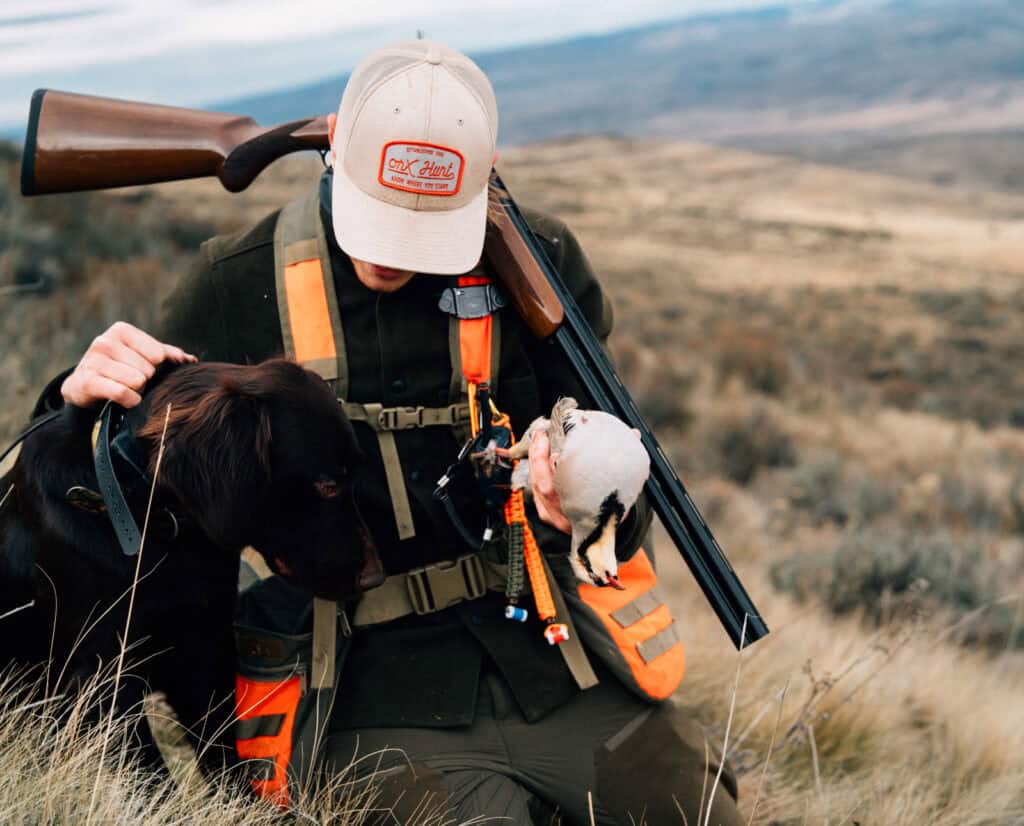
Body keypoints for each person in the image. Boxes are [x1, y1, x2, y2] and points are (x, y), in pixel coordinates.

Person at [58, 40, 742, 825]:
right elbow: (121, 483)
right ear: (331, 146)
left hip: (551, 653)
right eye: (373, 217)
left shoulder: (541, 258)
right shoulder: (234, 282)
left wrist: (587, 493)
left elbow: (625, 515)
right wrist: (79, 401)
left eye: (421, 232)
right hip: (358, 680)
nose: (388, 255)